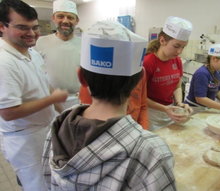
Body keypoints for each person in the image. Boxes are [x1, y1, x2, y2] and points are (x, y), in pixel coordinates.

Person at [42, 21, 176, 190]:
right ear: (138, 81)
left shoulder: (56, 130)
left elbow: (46, 180)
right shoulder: (153, 152)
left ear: (81, 78)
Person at [0, 0, 68, 190]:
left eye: (35, 27)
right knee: (37, 185)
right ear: (2, 27)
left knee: (51, 182)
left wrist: (62, 114)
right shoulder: (4, 62)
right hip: (25, 141)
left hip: (45, 130)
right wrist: (52, 99)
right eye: (22, 27)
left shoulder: (32, 53)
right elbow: (8, 112)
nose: (31, 33)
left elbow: (43, 86)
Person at [144, 16, 193, 131]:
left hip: (169, 110)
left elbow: (176, 87)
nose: (179, 51)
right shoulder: (148, 63)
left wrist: (179, 103)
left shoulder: (177, 61)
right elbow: (140, 97)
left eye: (183, 47)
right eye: (176, 46)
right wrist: (164, 109)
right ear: (162, 41)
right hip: (151, 114)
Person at [35, 0, 81, 110]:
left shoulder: (85, 44)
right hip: (50, 101)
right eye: (60, 16)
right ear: (53, 18)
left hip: (78, 100)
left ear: (76, 21)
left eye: (70, 17)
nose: (65, 21)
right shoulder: (40, 42)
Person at [79, 68, 149, 129]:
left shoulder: (137, 72)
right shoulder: (94, 77)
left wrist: (142, 129)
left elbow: (143, 105)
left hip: (134, 129)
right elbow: (91, 114)